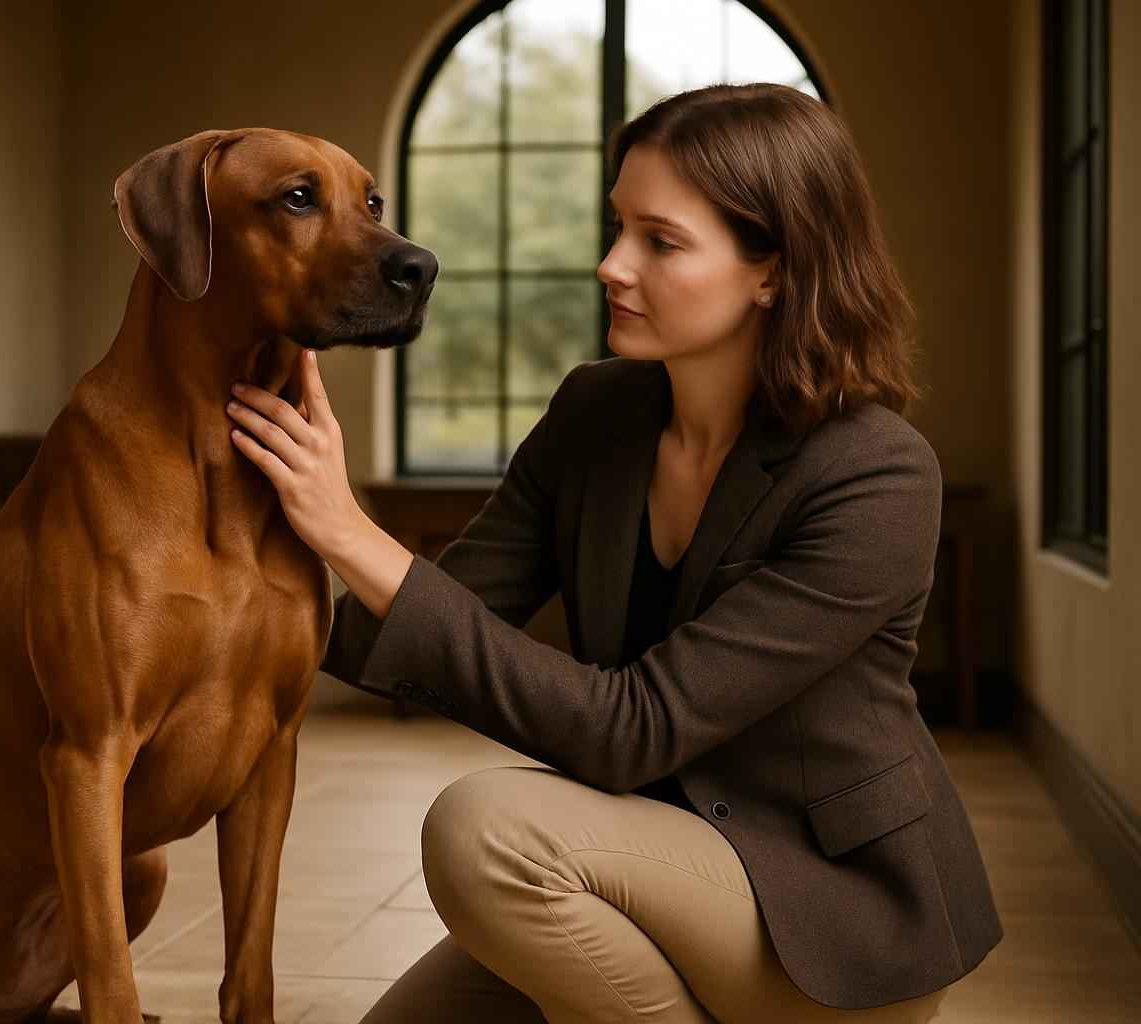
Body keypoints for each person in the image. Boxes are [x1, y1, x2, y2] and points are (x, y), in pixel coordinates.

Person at [222, 83, 1001, 1024]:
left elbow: (631, 729)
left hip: (830, 925)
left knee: (487, 834)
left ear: (774, 270)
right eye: (616, 227)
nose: (610, 265)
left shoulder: (875, 474)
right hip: (649, 868)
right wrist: (270, 512)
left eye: (660, 241)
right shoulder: (597, 414)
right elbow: (410, 628)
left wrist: (347, 526)